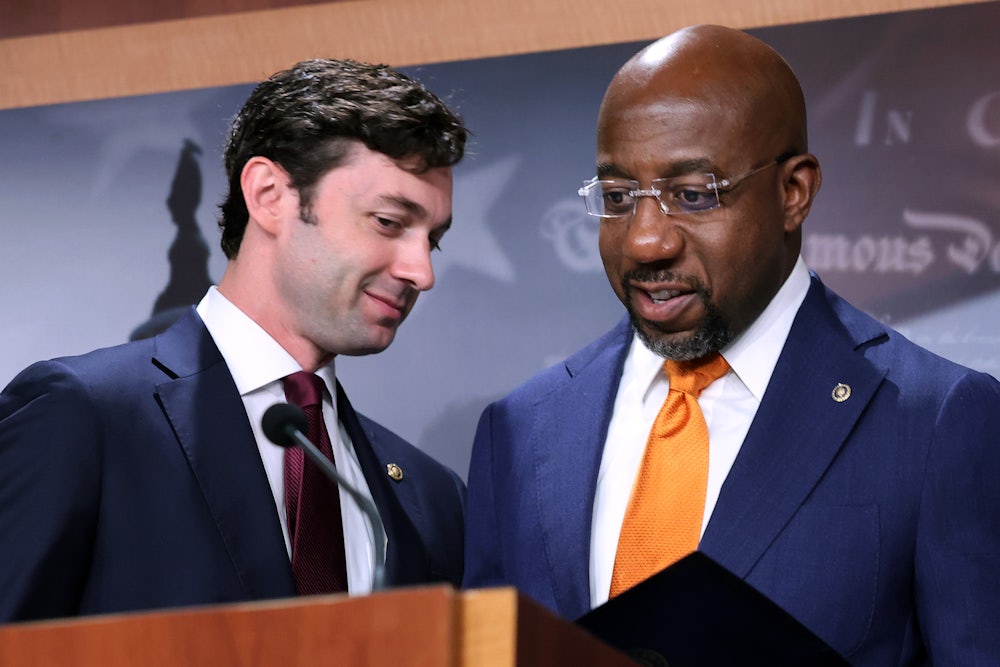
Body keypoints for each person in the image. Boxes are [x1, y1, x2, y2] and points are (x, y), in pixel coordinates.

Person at [462, 24, 1000, 665]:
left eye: (692, 195)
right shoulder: (520, 431)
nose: (645, 241)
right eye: (617, 198)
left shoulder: (937, 419)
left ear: (793, 192)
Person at [0, 58, 468, 622]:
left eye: (432, 240)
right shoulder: (84, 416)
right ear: (270, 194)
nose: (422, 271)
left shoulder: (429, 495)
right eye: (390, 222)